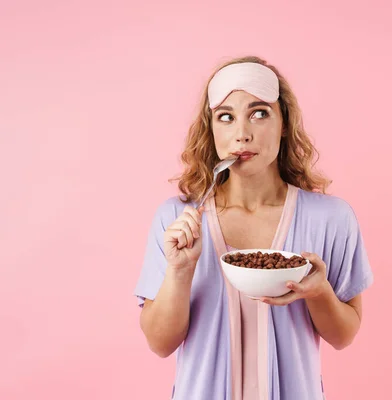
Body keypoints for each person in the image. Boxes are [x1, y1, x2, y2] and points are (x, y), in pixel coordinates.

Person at [133, 55, 374, 400]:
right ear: (211, 129)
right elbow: (160, 343)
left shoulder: (331, 219)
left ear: (284, 123)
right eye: (226, 117)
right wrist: (181, 269)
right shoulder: (176, 221)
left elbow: (343, 336)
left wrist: (319, 292)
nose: (242, 134)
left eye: (259, 113)